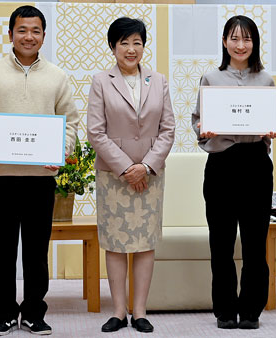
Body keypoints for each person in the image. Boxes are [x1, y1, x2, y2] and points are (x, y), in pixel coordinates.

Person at [0, 5, 79, 336]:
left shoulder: (57, 77)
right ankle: (2, 311)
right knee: (2, 249)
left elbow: (70, 121)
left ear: (44, 35)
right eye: (23, 30)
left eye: (36, 31)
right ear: (10, 33)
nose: (29, 36)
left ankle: (33, 312)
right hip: (1, 177)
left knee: (36, 250)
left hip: (41, 178)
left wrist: (61, 150)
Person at [192, 15, 276, 330]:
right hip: (222, 164)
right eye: (234, 38)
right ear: (225, 42)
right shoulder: (211, 78)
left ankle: (251, 311)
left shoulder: (266, 80)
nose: (240, 45)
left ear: (254, 44)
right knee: (222, 241)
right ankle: (225, 310)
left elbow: (267, 130)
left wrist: (271, 130)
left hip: (256, 164)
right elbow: (198, 124)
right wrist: (205, 129)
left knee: (256, 243)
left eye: (247, 39)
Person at [86, 17, 175, 333]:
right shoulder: (101, 81)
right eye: (124, 42)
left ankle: (140, 312)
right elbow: (96, 132)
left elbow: (168, 129)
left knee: (145, 243)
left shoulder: (158, 80)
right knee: (116, 243)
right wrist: (126, 168)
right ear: (113, 46)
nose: (131, 48)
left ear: (143, 45)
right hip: (114, 175)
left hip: (150, 175)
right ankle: (118, 311)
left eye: (137, 42)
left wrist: (146, 166)